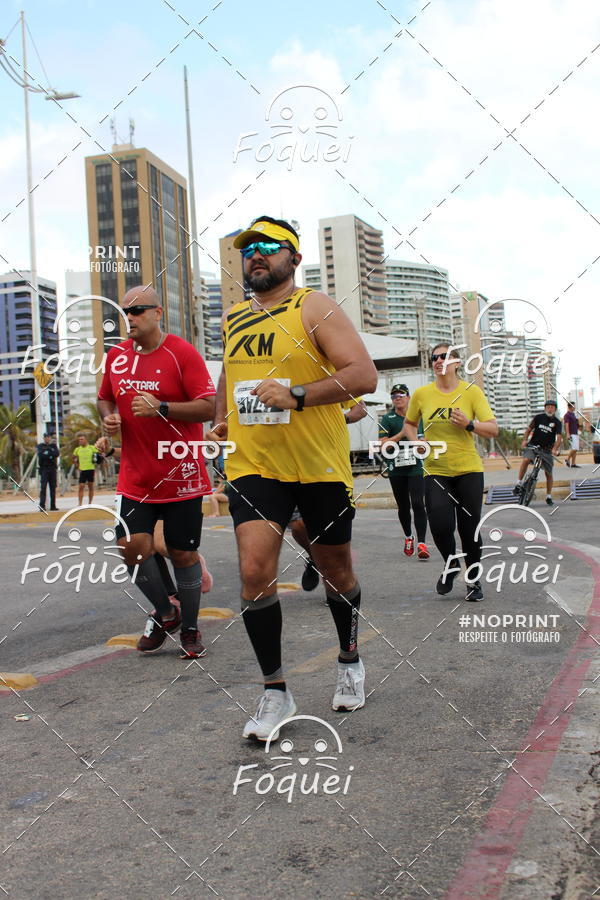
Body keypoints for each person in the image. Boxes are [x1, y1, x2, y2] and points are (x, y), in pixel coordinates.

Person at [208, 215, 377, 740]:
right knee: (255, 572)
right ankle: (275, 692)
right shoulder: (234, 317)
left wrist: (298, 394)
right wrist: (220, 419)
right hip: (255, 467)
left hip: (318, 467)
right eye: (247, 248)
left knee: (337, 573)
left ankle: (350, 659)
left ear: (294, 257)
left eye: (268, 246)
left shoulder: (315, 308)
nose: (255, 254)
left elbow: (362, 375)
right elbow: (228, 374)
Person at [97, 285, 216, 659]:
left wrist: (163, 408)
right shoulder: (115, 356)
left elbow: (208, 407)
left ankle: (192, 630)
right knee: (131, 547)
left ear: (158, 312)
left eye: (137, 310)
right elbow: (103, 398)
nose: (129, 318)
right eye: (125, 312)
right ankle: (167, 613)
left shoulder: (182, 354)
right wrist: (109, 420)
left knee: (182, 554)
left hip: (182, 473)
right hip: (135, 477)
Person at [403, 343, 498, 602]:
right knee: (441, 526)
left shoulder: (471, 392)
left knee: (469, 530)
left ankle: (473, 581)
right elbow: (410, 424)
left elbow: (492, 429)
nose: (438, 361)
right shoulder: (422, 394)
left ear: (456, 363)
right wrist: (415, 441)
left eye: (444, 357)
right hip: (435, 470)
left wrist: (469, 424)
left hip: (468, 469)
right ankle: (451, 564)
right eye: (434, 358)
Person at [291, 398, 368, 592]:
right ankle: (315, 559)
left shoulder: (328, 375)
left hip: (326, 465)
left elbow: (360, 409)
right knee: (299, 527)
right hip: (286, 463)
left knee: (332, 538)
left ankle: (338, 586)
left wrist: (341, 419)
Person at [379, 384, 430, 560]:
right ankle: (409, 536)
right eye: (394, 396)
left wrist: (421, 444)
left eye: (401, 394)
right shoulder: (387, 419)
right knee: (403, 506)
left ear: (408, 397)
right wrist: (402, 433)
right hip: (396, 468)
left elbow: (423, 442)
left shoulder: (418, 417)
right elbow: (384, 444)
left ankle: (422, 543)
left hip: (415, 466)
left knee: (418, 503)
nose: (397, 398)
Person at [514, 400, 562, 505]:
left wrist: (554, 449)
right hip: (533, 446)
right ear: (545, 408)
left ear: (555, 409)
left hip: (547, 450)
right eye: (548, 407)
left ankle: (548, 496)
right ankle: (518, 483)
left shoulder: (558, 423)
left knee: (548, 473)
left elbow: (559, 438)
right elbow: (528, 430)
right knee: (526, 460)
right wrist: (525, 440)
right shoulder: (538, 418)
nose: (550, 409)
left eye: (552, 407)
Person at [37, 432, 60, 511]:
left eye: (48, 437)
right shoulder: (40, 446)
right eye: (45, 437)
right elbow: (41, 455)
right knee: (43, 488)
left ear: (50, 438)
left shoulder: (53, 446)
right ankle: (42, 506)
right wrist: (50, 454)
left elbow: (57, 453)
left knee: (53, 488)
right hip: (44, 469)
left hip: (52, 469)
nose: (47, 438)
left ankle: (53, 506)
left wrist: (48, 453)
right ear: (44, 438)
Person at [72, 434, 96, 505]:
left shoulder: (92, 448)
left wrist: (98, 460)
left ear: (86, 440)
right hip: (82, 470)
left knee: (90, 486)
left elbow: (99, 454)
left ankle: (90, 503)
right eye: (79, 440)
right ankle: (80, 503)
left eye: (82, 439)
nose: (80, 441)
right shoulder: (77, 449)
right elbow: (73, 457)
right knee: (81, 486)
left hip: (91, 469)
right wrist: (77, 465)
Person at [563, 402, 580, 468]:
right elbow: (566, 425)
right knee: (575, 448)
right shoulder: (567, 415)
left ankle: (573, 463)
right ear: (570, 407)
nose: (574, 407)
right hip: (571, 433)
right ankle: (567, 459)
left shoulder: (573, 414)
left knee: (575, 448)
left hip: (575, 433)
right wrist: (567, 434)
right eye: (573, 406)